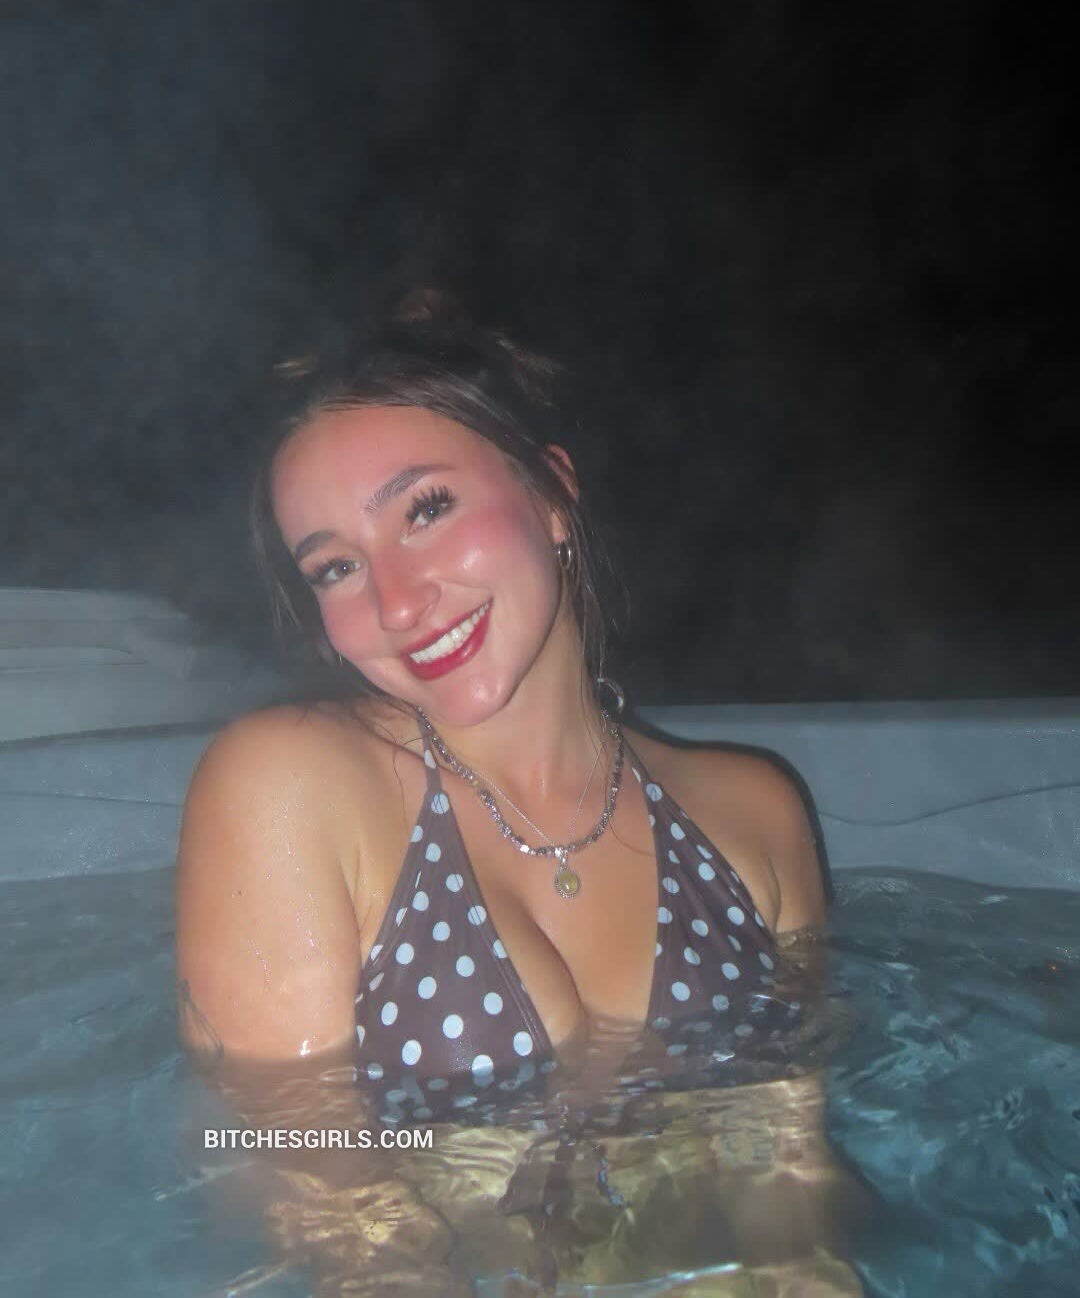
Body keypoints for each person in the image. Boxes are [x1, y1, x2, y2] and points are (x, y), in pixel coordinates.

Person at [175, 290, 869, 1294]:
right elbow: (286, 1157)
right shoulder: (290, 785)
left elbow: (787, 1171)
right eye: (334, 567)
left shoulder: (754, 811)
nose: (397, 602)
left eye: (426, 510)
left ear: (551, 494)